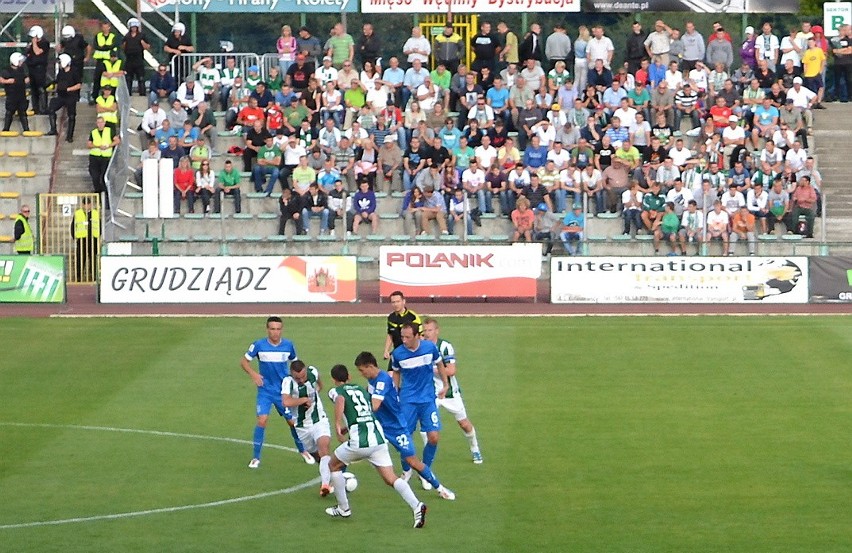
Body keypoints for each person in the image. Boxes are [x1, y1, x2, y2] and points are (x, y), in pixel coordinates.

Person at [324, 364, 428, 528]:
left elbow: (340, 400)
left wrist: (337, 426)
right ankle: (417, 506)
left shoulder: (336, 391)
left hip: (359, 442)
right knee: (391, 478)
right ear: (349, 376)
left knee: (333, 465)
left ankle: (343, 508)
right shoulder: (362, 389)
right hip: (378, 440)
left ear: (333, 379)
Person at [354, 351, 456, 500]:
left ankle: (440, 488)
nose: (361, 374)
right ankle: (334, 480)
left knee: (412, 460)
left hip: (396, 428)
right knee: (353, 446)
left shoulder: (382, 380)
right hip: (379, 425)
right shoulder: (372, 381)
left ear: (370, 366)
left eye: (362, 370)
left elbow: (374, 406)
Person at [240, 317, 310, 469]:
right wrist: (254, 374)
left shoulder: (288, 345)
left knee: (291, 422)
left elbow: (295, 365)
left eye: (278, 329)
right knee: (262, 420)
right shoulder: (259, 345)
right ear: (267, 330)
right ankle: (256, 457)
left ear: (282, 330)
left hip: (283, 391)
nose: (275, 332)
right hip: (265, 390)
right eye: (272, 329)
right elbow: (244, 362)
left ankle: (303, 451)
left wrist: (299, 382)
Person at [390, 323, 447, 490]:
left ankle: (425, 472)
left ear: (417, 336)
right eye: (402, 336)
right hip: (408, 400)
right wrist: (395, 394)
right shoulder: (398, 354)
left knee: (434, 437)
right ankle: (407, 469)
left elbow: (440, 364)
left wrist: (445, 384)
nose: (404, 340)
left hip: (428, 399)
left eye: (407, 337)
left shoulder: (430, 348)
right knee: (405, 437)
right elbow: (396, 372)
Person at [421, 318, 482, 464]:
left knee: (464, 423)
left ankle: (475, 448)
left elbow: (451, 370)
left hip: (449, 393)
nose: (427, 334)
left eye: (430, 330)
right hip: (429, 394)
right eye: (425, 330)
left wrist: (430, 369)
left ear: (437, 331)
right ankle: (427, 458)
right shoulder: (420, 347)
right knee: (427, 426)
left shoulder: (445, 346)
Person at [281, 360, 333, 496]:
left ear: (305, 371)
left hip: (318, 420)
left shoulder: (312, 372)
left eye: (303, 376)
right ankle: (338, 472)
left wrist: (315, 395)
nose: (301, 380)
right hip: (302, 426)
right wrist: (303, 400)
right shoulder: (288, 381)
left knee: (324, 448)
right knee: (317, 456)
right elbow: (286, 401)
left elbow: (320, 385)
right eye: (297, 378)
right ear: (292, 374)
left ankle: (325, 484)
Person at [46, 54, 81, 142]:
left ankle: (70, 136)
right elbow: (57, 82)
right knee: (51, 109)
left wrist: (68, 89)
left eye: (61, 62)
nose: (60, 64)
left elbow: (79, 85)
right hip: (61, 96)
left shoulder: (74, 72)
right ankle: (53, 129)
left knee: (71, 116)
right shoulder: (61, 73)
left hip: (70, 97)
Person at [87, 117, 119, 195]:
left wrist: (109, 146)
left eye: (101, 122)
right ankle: (97, 191)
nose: (100, 124)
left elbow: (117, 140)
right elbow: (89, 144)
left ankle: (105, 193)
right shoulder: (93, 132)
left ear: (104, 123)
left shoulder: (109, 131)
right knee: (95, 176)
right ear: (96, 124)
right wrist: (97, 146)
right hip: (95, 156)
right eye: (98, 123)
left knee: (103, 176)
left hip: (105, 157)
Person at [88, 20, 117, 104]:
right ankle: (95, 97)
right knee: (97, 79)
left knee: (109, 80)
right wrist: (107, 47)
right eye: (103, 27)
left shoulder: (113, 36)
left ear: (109, 27)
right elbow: (96, 46)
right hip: (100, 61)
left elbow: (113, 46)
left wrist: (103, 47)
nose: (105, 29)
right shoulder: (98, 36)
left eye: (106, 27)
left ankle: (111, 97)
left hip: (109, 61)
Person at [71, 198, 99, 282]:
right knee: (80, 259)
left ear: (90, 205)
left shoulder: (95, 213)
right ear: (82, 205)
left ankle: (93, 276)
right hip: (81, 240)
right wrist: (74, 237)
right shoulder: (78, 213)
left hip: (93, 239)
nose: (87, 206)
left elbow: (99, 225)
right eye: (85, 204)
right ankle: (79, 276)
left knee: (93, 259)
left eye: (88, 204)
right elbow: (73, 226)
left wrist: (98, 235)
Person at [24, 25, 50, 114]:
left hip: (40, 69)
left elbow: (37, 52)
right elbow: (28, 54)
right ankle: (36, 108)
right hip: (32, 69)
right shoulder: (30, 45)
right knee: (33, 89)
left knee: (41, 88)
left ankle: (43, 108)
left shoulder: (44, 43)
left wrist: (34, 43)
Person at [1, 52, 29, 132]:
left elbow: (26, 78)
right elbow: (1, 79)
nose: (21, 62)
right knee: (9, 112)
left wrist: (26, 80)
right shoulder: (7, 70)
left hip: (21, 94)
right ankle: (6, 129)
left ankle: (26, 129)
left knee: (23, 113)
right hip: (12, 95)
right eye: (20, 61)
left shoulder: (21, 69)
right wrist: (7, 81)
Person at [122, 18, 150, 96]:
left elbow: (148, 46)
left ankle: (142, 93)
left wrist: (142, 43)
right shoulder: (127, 36)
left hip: (139, 60)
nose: (133, 28)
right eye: (132, 27)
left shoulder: (142, 35)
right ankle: (128, 94)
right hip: (129, 59)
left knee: (141, 78)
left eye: (135, 27)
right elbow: (123, 46)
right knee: (128, 78)